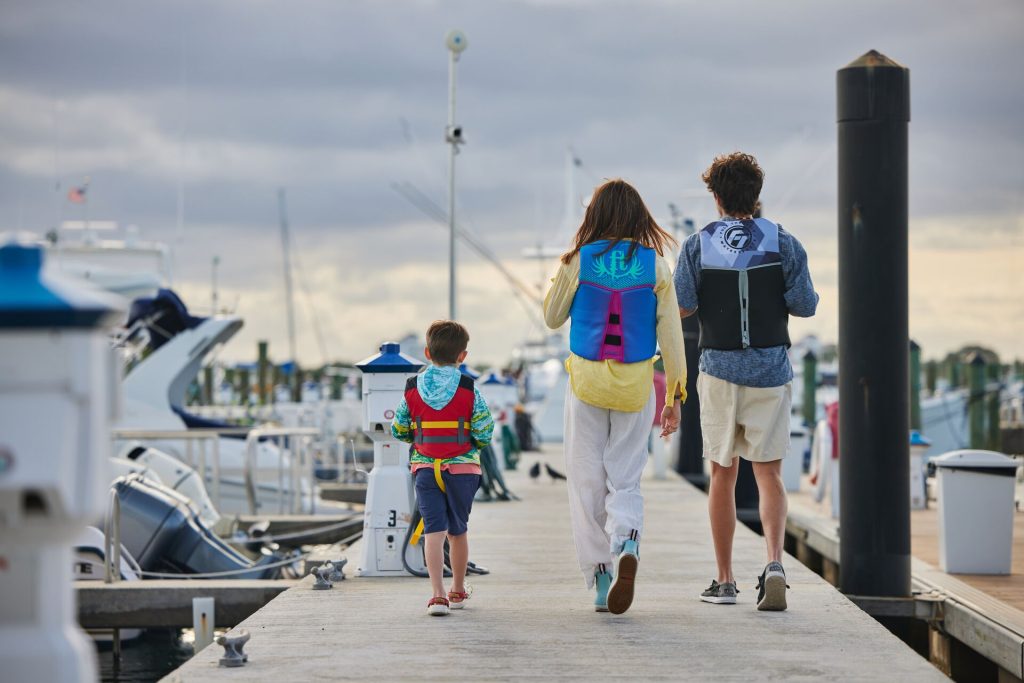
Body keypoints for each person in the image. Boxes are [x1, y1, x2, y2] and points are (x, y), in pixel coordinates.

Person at [674, 152, 818, 611]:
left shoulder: (698, 244)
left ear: (715, 197)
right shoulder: (784, 241)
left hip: (718, 369)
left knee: (722, 472)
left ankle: (725, 580)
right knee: (769, 473)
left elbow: (682, 305)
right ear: (756, 196)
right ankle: (774, 562)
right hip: (770, 370)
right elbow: (805, 305)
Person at [544, 179, 687, 614]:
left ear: (595, 216)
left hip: (586, 384)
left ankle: (602, 577)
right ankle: (626, 541)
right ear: (639, 216)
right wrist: (673, 396)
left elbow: (552, 317)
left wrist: (565, 269)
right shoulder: (656, 266)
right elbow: (672, 336)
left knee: (585, 480)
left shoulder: (578, 261)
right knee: (624, 477)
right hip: (635, 386)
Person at [391, 320, 494, 616]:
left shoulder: (412, 388)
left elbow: (399, 428)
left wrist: (418, 437)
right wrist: (471, 444)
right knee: (458, 532)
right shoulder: (469, 388)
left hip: (424, 468)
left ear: (426, 352)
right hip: (462, 471)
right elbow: (485, 431)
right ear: (463, 356)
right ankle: (458, 590)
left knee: (433, 532)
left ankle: (437, 595)